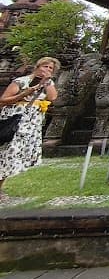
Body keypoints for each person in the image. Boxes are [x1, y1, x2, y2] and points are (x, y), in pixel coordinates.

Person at [0, 57, 60, 194]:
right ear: (37, 66)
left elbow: (52, 97)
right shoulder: (21, 81)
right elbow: (3, 100)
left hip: (32, 122)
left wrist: (47, 81)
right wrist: (23, 94)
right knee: (9, 151)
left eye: (51, 68)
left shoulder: (47, 84)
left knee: (16, 155)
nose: (48, 70)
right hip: (15, 118)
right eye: (45, 66)